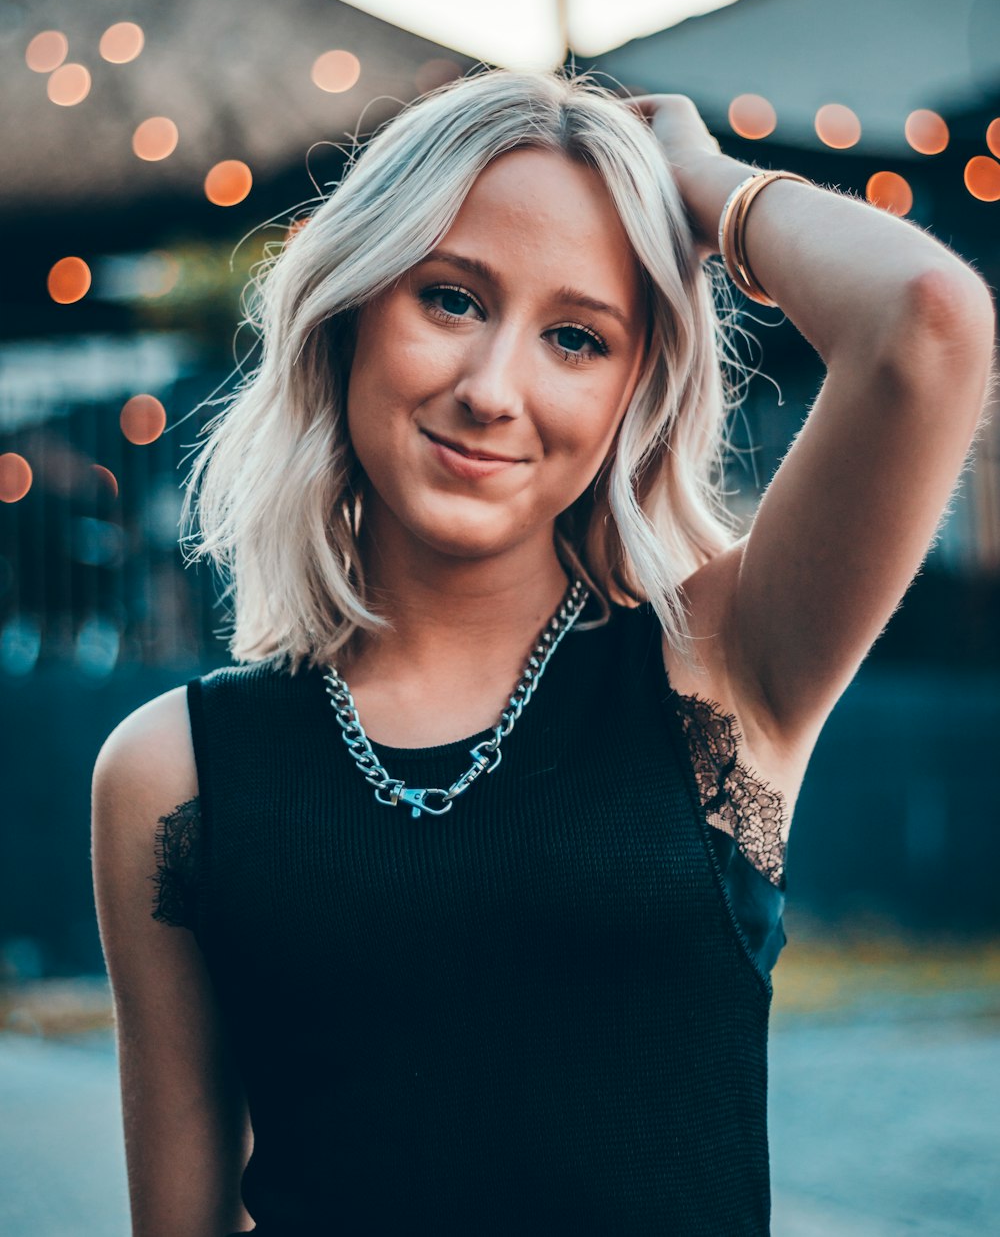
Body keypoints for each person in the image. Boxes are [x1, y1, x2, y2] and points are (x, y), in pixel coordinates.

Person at [91, 68, 995, 1237]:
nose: (492, 389)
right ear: (353, 307)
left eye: (575, 337)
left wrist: (703, 186)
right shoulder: (176, 774)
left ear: (634, 393)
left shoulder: (718, 671)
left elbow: (925, 318)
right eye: (452, 300)